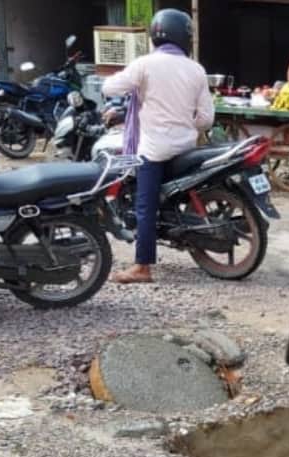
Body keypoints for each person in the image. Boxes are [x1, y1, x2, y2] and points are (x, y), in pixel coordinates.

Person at [102, 8, 213, 285]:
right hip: (186, 147)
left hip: (154, 150)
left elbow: (109, 89)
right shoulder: (196, 69)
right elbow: (206, 119)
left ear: (156, 35)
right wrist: (184, 124)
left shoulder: (145, 65)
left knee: (145, 207)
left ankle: (142, 267)